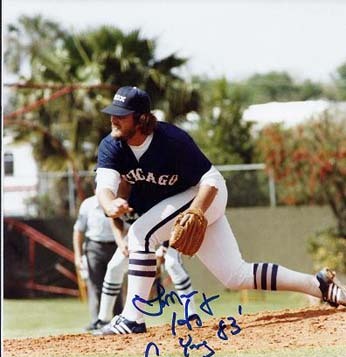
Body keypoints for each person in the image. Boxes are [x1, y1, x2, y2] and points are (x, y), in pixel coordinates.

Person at [95, 85, 346, 335]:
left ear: (141, 118)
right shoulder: (112, 146)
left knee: (141, 234)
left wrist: (195, 212)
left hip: (206, 197)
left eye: (121, 114)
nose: (113, 119)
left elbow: (212, 180)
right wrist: (109, 204)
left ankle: (131, 319)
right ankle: (319, 286)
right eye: (113, 113)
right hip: (179, 207)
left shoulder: (171, 141)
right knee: (235, 276)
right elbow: (104, 187)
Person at [95, 216, 199, 334]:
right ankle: (102, 320)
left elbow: (169, 216)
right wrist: (120, 241)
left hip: (170, 228)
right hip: (140, 232)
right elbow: (113, 217)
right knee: (114, 266)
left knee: (172, 263)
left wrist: (164, 249)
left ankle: (191, 315)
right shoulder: (114, 201)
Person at [73, 193, 120, 330]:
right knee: (95, 286)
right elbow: (78, 231)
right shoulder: (87, 204)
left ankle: (119, 319)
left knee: (115, 284)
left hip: (115, 246)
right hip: (94, 247)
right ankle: (97, 322)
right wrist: (78, 256)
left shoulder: (117, 203)